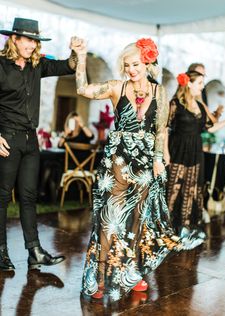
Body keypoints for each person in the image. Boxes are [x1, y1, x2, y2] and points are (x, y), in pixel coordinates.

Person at [72, 37, 183, 301]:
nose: (131, 69)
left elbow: (160, 130)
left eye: (135, 64)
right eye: (126, 65)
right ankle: (100, 278)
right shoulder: (116, 87)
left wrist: (158, 158)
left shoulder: (160, 92)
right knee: (109, 220)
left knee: (137, 221)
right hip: (117, 164)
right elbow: (83, 89)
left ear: (146, 62)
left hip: (144, 165)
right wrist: (81, 57)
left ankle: (130, 273)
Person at [0, 17, 80, 271]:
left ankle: (34, 251)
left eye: (35, 41)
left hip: (30, 140)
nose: (32, 46)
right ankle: (1, 252)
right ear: (14, 39)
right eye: (28, 40)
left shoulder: (38, 65)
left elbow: (68, 66)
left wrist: (76, 52)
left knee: (28, 196)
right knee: (2, 197)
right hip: (7, 138)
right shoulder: (0, 65)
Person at [165, 70, 225, 248]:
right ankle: (166, 230)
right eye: (200, 83)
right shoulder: (175, 104)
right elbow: (164, 129)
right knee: (173, 191)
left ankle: (185, 229)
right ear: (189, 83)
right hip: (178, 151)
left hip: (195, 153)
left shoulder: (200, 105)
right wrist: (165, 152)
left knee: (191, 191)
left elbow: (210, 128)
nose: (202, 86)